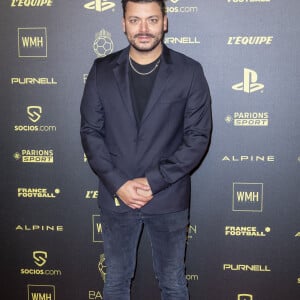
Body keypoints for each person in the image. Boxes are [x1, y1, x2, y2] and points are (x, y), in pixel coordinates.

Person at [80, 0, 212, 299]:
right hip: (117, 197)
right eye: (135, 20)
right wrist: (119, 184)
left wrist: (154, 181)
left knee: (173, 283)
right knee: (115, 281)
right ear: (123, 23)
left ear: (164, 22)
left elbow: (197, 138)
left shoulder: (189, 72)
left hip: (168, 196)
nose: (143, 29)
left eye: (151, 20)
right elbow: (90, 132)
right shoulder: (101, 70)